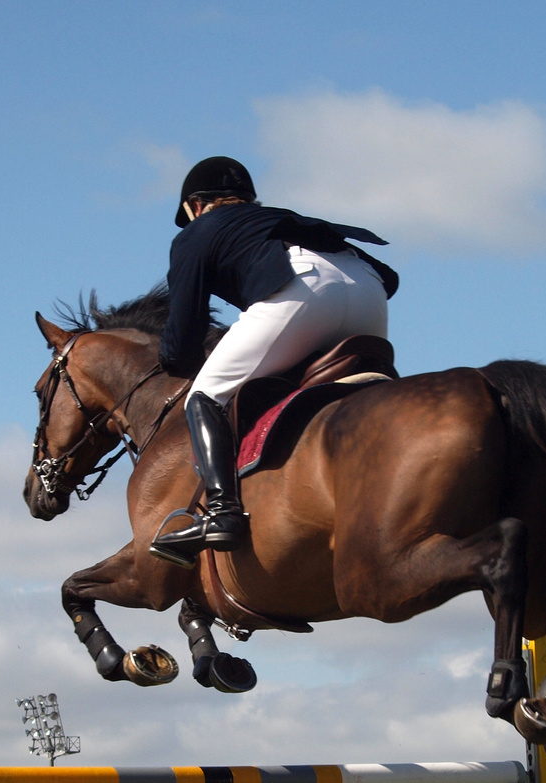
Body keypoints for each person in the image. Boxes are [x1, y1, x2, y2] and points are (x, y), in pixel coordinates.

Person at [150, 156, 399, 568]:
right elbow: (389, 278)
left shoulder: (197, 232)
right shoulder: (273, 218)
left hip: (303, 290)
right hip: (368, 291)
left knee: (204, 396)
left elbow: (183, 332)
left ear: (196, 205)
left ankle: (222, 513)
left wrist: (173, 360)